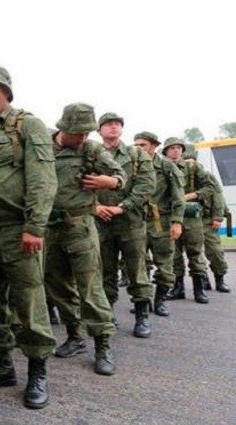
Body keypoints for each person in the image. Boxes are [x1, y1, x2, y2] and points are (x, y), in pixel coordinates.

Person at [0, 64, 57, 411]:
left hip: (17, 230)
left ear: (6, 91)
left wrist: (35, 226)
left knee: (29, 303)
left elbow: (42, 179)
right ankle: (2, 365)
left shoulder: (27, 125)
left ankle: (37, 371)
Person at [44, 104, 123, 375]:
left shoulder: (91, 150)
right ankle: (75, 336)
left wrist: (110, 182)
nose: (82, 138)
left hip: (80, 227)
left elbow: (119, 175)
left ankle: (102, 345)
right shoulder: (42, 146)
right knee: (57, 285)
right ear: (63, 127)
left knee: (90, 287)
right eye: (77, 133)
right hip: (48, 229)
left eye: (87, 133)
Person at [95, 112, 156, 337]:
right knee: (104, 271)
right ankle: (107, 315)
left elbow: (146, 185)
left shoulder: (136, 154)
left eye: (117, 124)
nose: (113, 127)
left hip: (131, 222)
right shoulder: (91, 153)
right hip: (101, 222)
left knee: (137, 271)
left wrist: (123, 207)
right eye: (108, 124)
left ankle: (142, 316)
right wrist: (95, 207)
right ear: (99, 130)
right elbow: (78, 183)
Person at [134, 132, 184, 317]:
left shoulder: (166, 166)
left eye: (143, 145)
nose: (138, 148)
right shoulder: (133, 165)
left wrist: (177, 222)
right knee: (138, 265)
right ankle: (143, 300)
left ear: (154, 146)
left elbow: (178, 196)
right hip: (137, 221)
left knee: (164, 265)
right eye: (136, 145)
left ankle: (160, 300)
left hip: (160, 222)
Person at [164, 140, 215, 303]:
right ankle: (177, 288)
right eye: (172, 148)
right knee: (174, 255)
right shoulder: (160, 168)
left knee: (195, 253)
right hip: (169, 216)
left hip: (191, 217)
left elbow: (210, 187)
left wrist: (190, 196)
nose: (176, 151)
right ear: (165, 152)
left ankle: (199, 289)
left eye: (179, 148)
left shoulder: (193, 167)